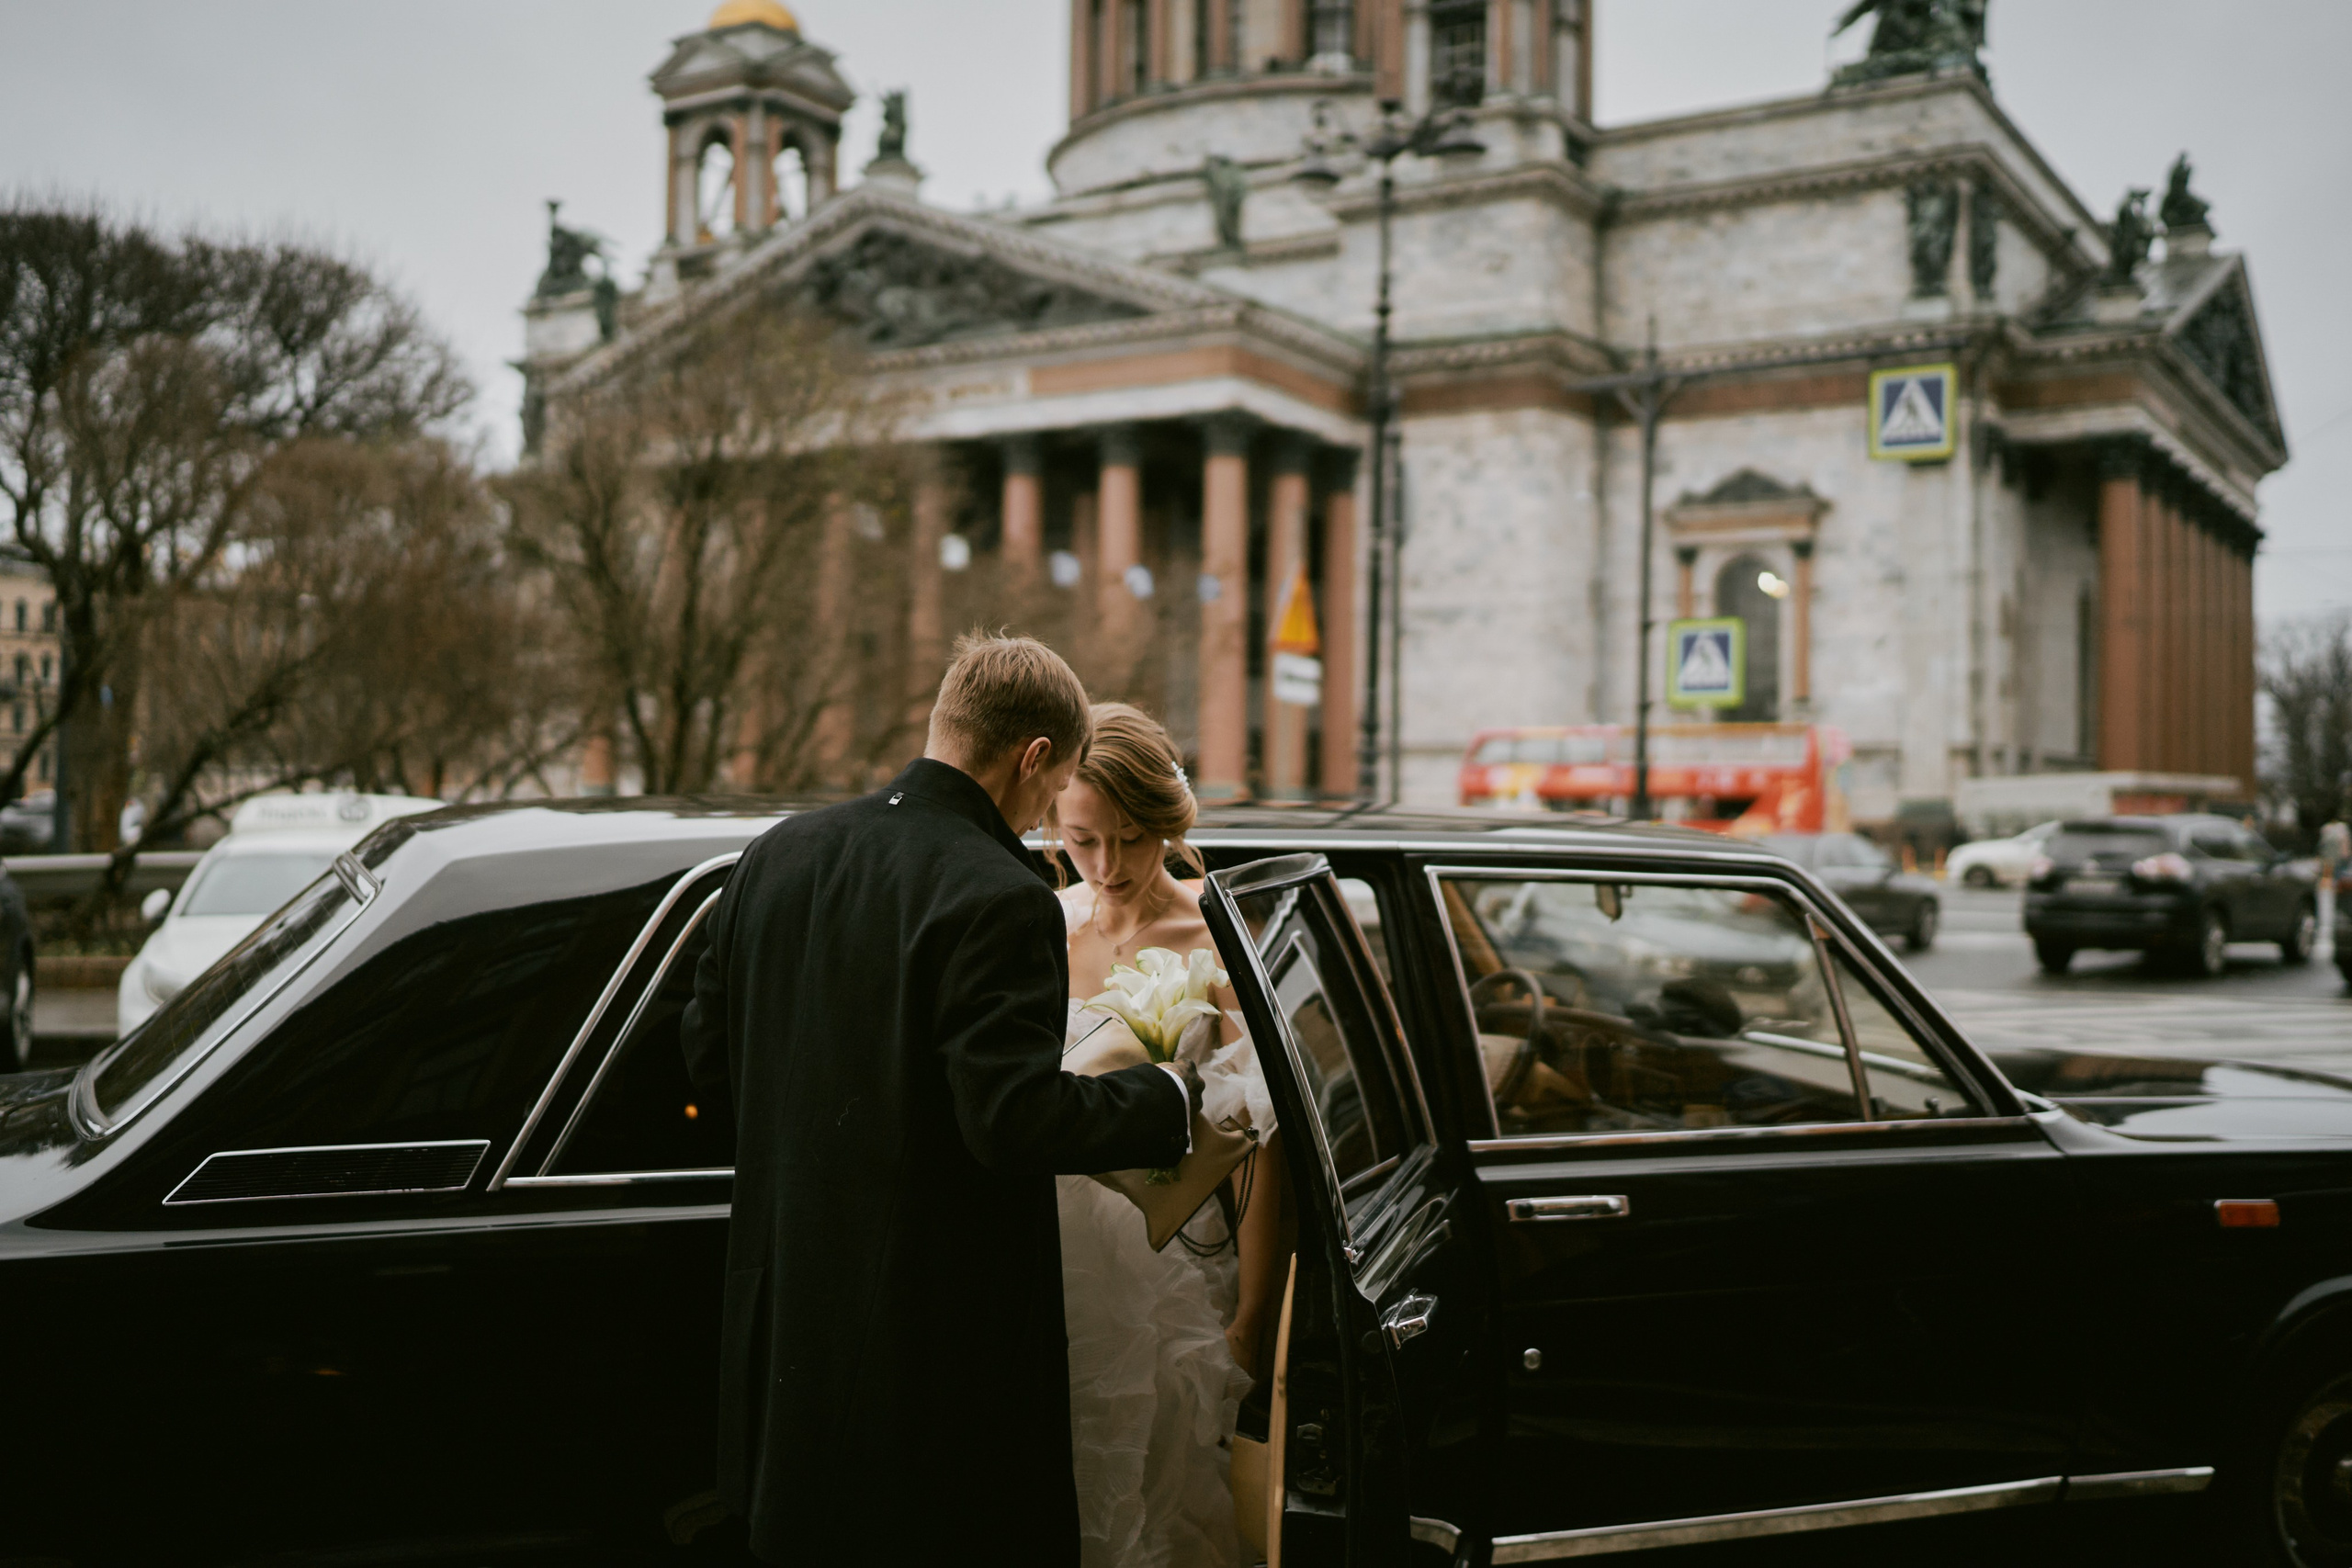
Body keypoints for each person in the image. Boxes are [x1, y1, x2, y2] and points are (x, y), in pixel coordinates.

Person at [680, 636, 1195, 1568]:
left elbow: (707, 1057)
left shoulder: (776, 855)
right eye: (1058, 788)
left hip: (784, 1319)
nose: (1046, 820)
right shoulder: (999, 895)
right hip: (931, 1346)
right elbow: (1011, 1119)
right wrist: (1160, 1098)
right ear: (1034, 757)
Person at [1052, 703, 1290, 1568]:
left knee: (1158, 1499)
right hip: (1049, 1265)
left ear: (1169, 825)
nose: (1108, 867)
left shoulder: (1218, 940)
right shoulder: (1038, 927)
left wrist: (1251, 1322)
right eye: (1083, 841)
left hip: (1172, 1277)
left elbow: (1263, 1152)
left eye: (1132, 838)